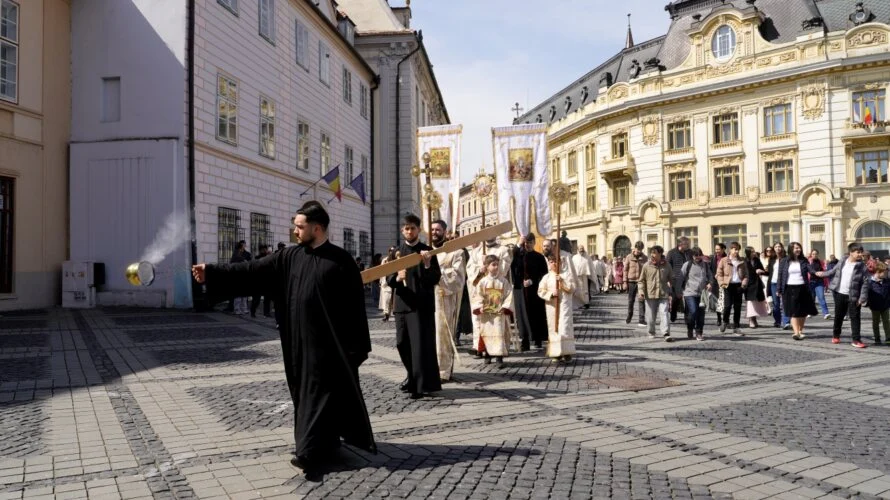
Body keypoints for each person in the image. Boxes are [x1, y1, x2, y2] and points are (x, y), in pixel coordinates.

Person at [191, 201, 375, 474]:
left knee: (319, 394)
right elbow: (251, 270)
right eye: (295, 226)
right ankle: (326, 442)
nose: (295, 231)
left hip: (329, 348)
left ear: (317, 227)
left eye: (299, 227)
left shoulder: (341, 261)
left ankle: (308, 452)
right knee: (307, 394)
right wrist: (212, 272)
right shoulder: (290, 257)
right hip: (298, 343)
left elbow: (355, 309)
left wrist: (356, 347)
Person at [387, 214, 442, 398]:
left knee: (419, 346)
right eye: (406, 228)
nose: (409, 231)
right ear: (402, 230)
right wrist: (397, 277)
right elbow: (388, 279)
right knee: (402, 343)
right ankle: (411, 376)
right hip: (402, 304)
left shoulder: (427, 250)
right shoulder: (396, 252)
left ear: (419, 230)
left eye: (413, 228)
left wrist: (427, 264)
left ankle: (418, 386)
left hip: (421, 305)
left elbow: (435, 278)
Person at [430, 220, 465, 382]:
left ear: (445, 231)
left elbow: (458, 278)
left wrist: (437, 273)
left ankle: (443, 370)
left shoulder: (455, 252)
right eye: (432, 229)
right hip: (425, 299)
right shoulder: (424, 251)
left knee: (442, 334)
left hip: (444, 299)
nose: (434, 232)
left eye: (438, 229)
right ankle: (428, 368)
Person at [466, 236, 513, 355]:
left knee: (497, 323)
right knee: (480, 320)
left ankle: (498, 351)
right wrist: (480, 269)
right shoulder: (476, 251)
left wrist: (490, 266)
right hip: (482, 288)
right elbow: (470, 270)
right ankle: (479, 347)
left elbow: (503, 270)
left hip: (497, 288)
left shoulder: (503, 250)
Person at [817, 242, 869, 348]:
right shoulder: (843, 261)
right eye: (857, 252)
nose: (860, 254)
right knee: (839, 316)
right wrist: (823, 274)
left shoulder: (862, 266)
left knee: (855, 317)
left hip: (854, 295)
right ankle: (836, 335)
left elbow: (865, 282)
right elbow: (833, 271)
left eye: (861, 252)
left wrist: (862, 297)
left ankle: (856, 340)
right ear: (851, 252)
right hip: (839, 293)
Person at [471, 254, 514, 366]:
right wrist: (480, 307)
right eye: (493, 265)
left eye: (497, 265)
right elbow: (477, 295)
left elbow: (509, 295)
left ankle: (499, 357)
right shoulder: (483, 282)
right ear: (487, 266)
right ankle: (488, 355)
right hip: (486, 314)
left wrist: (505, 307)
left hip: (498, 313)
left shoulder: (503, 281)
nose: (496, 267)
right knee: (487, 333)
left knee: (499, 333)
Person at [510, 234, 548, 351]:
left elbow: (543, 274)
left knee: (536, 316)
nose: (528, 245)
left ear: (534, 243)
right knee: (522, 317)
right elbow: (511, 261)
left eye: (530, 242)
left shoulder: (539, 257)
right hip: (521, 290)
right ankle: (525, 340)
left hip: (535, 291)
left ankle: (538, 339)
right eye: (526, 243)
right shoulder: (519, 255)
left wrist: (533, 280)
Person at [538, 253, 576, 360]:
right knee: (553, 329)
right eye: (551, 262)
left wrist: (562, 281)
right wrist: (550, 294)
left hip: (564, 306)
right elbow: (540, 291)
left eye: (556, 261)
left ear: (561, 263)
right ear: (548, 264)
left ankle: (566, 352)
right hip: (552, 306)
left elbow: (572, 288)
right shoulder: (546, 277)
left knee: (564, 328)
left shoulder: (567, 275)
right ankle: (556, 353)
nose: (554, 264)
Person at [778, 242, 818, 341]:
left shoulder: (804, 260)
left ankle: (800, 330)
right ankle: (796, 332)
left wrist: (817, 273)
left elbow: (811, 270)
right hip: (789, 288)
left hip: (803, 287)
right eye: (796, 248)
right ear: (791, 249)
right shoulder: (784, 261)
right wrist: (779, 289)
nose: (798, 250)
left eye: (799, 248)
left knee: (802, 311)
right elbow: (780, 275)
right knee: (793, 311)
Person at [638, 245, 674, 342]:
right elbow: (641, 280)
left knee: (664, 313)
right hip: (650, 294)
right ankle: (651, 331)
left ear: (660, 254)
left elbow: (672, 278)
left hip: (663, 293)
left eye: (655, 253)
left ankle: (666, 332)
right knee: (650, 317)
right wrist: (641, 291)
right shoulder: (647, 265)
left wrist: (672, 285)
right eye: (652, 253)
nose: (653, 255)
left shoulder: (667, 265)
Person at [680, 247, 712, 341]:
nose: (698, 257)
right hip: (689, 292)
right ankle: (690, 328)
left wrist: (710, 283)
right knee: (693, 311)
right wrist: (678, 291)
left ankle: (699, 332)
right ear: (692, 256)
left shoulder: (705, 265)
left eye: (699, 255)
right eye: (695, 255)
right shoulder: (687, 265)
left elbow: (710, 276)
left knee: (701, 314)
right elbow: (681, 277)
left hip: (702, 293)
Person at [716, 242, 748, 336]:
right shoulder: (724, 260)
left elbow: (746, 274)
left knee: (737, 307)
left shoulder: (741, 260)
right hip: (728, 285)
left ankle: (736, 326)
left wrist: (743, 285)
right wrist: (722, 283)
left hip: (738, 285)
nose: (736, 251)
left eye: (738, 249)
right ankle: (725, 321)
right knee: (727, 306)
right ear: (730, 249)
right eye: (735, 249)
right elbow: (719, 273)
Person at [667, 237, 692, 323]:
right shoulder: (671, 253)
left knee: (688, 298)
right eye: (686, 244)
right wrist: (668, 279)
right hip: (675, 279)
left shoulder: (689, 253)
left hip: (687, 279)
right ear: (681, 244)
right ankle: (673, 313)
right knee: (675, 299)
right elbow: (668, 266)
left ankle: (687, 316)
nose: (688, 246)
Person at [766, 242, 789, 329]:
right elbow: (770, 273)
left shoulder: (786, 259)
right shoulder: (772, 260)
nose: (778, 248)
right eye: (776, 247)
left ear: (782, 248)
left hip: (784, 283)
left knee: (784, 303)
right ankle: (777, 321)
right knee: (776, 304)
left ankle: (786, 321)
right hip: (773, 283)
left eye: (779, 246)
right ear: (774, 249)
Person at [624, 241, 648, 326]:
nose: (639, 251)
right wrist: (624, 282)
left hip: (641, 282)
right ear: (634, 248)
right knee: (631, 300)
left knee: (641, 300)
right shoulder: (629, 257)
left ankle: (641, 319)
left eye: (640, 250)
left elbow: (646, 270)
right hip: (631, 281)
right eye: (638, 249)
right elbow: (625, 270)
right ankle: (629, 315)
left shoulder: (645, 258)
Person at [866, 261, 890, 344]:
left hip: (885, 305)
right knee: (876, 322)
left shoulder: (887, 281)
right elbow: (867, 293)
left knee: (886, 321)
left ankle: (888, 337)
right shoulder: (870, 282)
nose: (886, 274)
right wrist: (867, 302)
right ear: (878, 272)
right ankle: (877, 338)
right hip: (875, 306)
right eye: (885, 273)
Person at [745, 246, 769, 329]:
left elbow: (762, 270)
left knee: (757, 302)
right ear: (748, 253)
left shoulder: (756, 260)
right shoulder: (745, 261)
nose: (754, 253)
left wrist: (761, 271)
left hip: (757, 284)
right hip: (749, 284)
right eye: (752, 251)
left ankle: (754, 319)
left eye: (754, 251)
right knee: (750, 302)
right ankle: (751, 319)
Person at [229, 240, 252, 315]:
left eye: (244, 244)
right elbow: (232, 263)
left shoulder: (247, 254)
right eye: (242, 245)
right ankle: (237, 309)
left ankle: (244, 308)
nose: (243, 246)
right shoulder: (235, 253)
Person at [250, 244, 274, 318]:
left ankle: (266, 313)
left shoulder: (269, 257)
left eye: (266, 249)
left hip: (267, 281)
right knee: (256, 299)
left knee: (267, 298)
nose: (265, 251)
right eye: (264, 249)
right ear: (260, 250)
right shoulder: (257, 258)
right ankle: (253, 312)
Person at [808, 250, 831, 319]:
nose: (814, 255)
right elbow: (809, 270)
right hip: (811, 282)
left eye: (816, 254)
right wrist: (815, 272)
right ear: (811, 255)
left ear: (818, 254)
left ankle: (826, 313)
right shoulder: (809, 262)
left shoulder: (821, 262)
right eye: (813, 254)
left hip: (819, 282)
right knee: (811, 298)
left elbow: (824, 271)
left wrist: (823, 274)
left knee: (821, 297)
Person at [710, 243, 727, 328]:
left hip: (724, 282)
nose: (717, 251)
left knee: (724, 301)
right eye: (716, 249)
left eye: (718, 249)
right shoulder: (713, 258)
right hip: (715, 283)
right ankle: (719, 318)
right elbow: (710, 269)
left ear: (723, 249)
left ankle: (725, 319)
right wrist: (712, 277)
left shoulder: (727, 258)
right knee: (717, 301)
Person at [378, 247, 397, 322]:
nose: (391, 252)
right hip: (386, 283)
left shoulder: (398, 259)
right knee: (386, 299)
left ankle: (395, 313)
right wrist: (381, 280)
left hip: (395, 283)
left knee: (394, 300)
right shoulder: (385, 260)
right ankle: (386, 314)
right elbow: (381, 271)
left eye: (393, 251)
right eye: (390, 251)